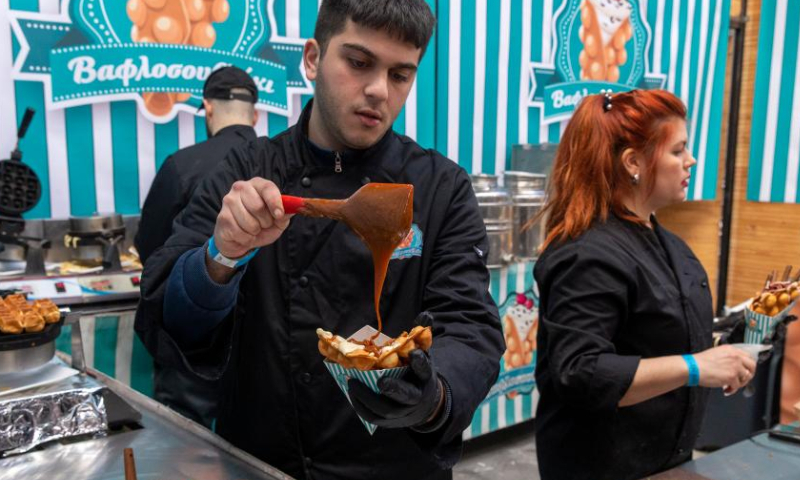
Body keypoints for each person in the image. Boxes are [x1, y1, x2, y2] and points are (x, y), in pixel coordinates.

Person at [134, 1, 504, 479]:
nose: (378, 90)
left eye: (400, 75)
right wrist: (221, 256)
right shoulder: (246, 171)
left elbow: (470, 325)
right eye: (358, 62)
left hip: (393, 465)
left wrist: (432, 397)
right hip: (261, 462)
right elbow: (171, 316)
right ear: (312, 58)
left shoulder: (440, 188)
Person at [532, 89, 757, 480]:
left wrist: (726, 350)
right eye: (678, 151)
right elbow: (580, 372)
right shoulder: (588, 254)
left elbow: (658, 336)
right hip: (599, 464)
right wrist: (695, 366)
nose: (691, 161)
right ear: (633, 162)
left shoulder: (668, 243)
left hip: (663, 459)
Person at [134, 66, 259, 428]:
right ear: (254, 113)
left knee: (187, 451)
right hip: (259, 352)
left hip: (192, 353)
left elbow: (152, 252)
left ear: (207, 107)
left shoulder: (182, 165)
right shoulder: (277, 166)